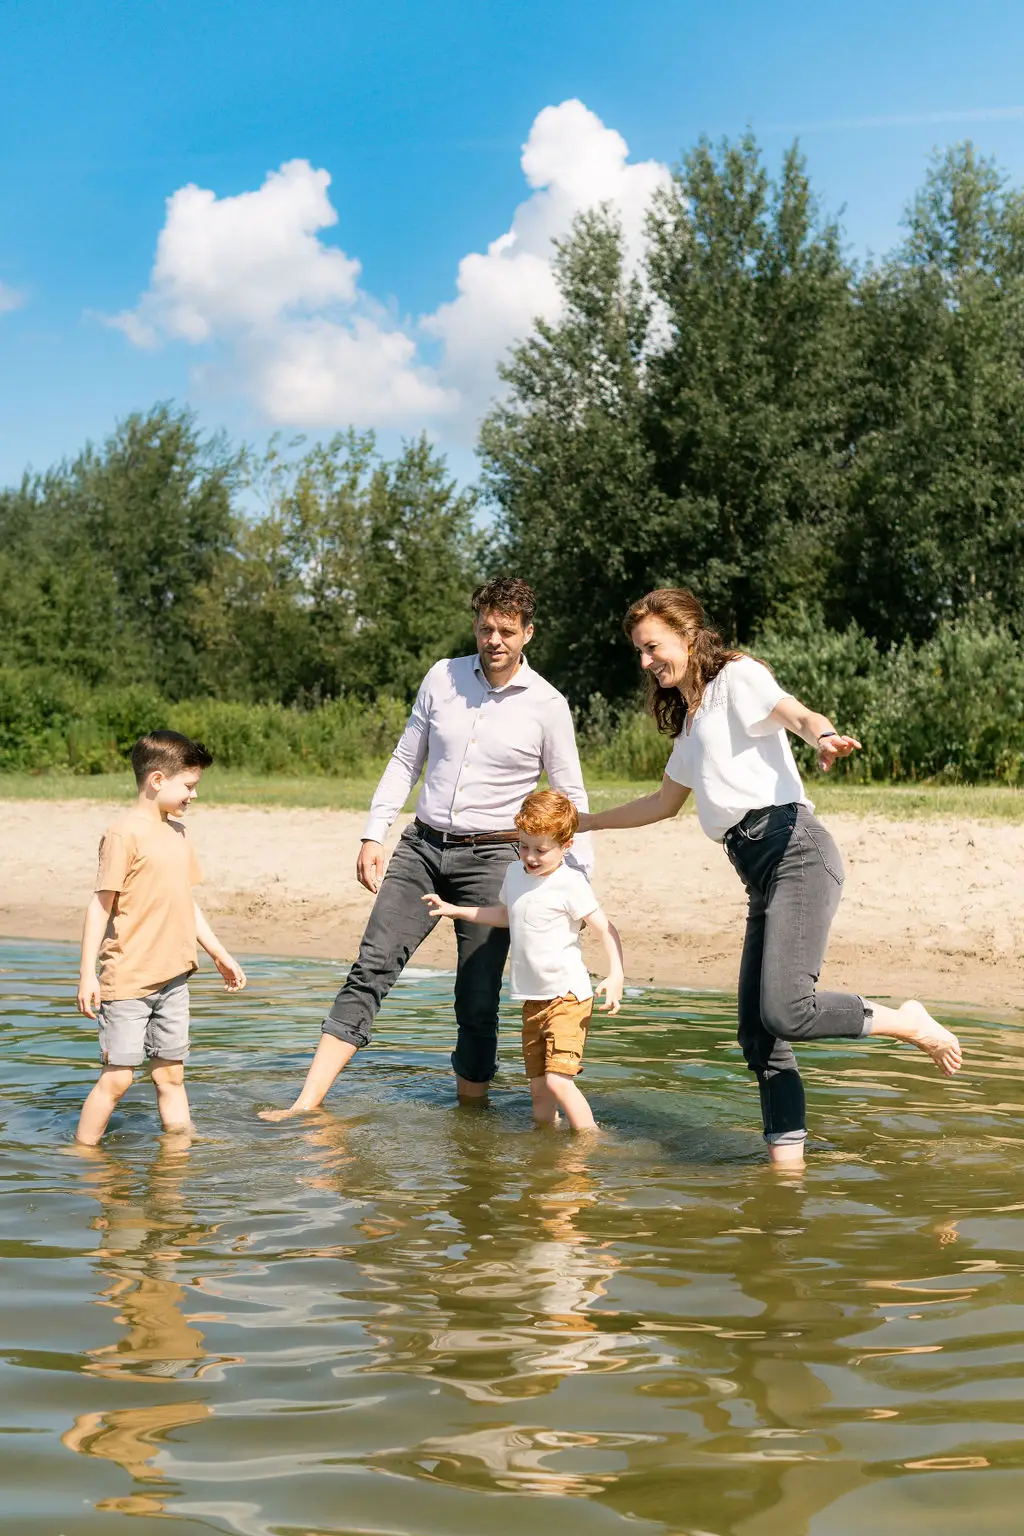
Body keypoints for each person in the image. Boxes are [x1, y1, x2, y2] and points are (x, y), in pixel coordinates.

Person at [577, 588, 962, 1166]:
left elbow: (794, 713)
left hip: (795, 852)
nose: (646, 661)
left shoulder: (737, 676)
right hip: (760, 873)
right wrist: (585, 823)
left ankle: (906, 1021)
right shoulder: (690, 719)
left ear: (686, 635)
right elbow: (662, 802)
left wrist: (822, 736)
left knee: (786, 1008)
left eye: (653, 646)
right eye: (639, 651)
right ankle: (787, 1169)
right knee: (760, 1035)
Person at [260, 578, 593, 1121]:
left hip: (495, 861)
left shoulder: (548, 705)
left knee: (478, 999)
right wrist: (375, 832)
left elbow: (570, 797)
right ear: (476, 625)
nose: (495, 640)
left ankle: (471, 1117)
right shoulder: (442, 677)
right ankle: (305, 1104)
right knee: (370, 969)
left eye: (508, 631)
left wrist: (575, 879)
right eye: (486, 628)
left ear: (528, 633)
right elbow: (403, 762)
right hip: (421, 849)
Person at [75, 731, 247, 1145]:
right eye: (188, 786)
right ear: (157, 780)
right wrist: (86, 974)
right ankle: (83, 1155)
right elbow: (100, 905)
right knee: (117, 1080)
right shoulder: (123, 834)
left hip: (174, 978)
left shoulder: (178, 833)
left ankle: (180, 1149)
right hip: (129, 980)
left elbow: (185, 902)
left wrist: (219, 953)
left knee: (171, 1075)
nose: (193, 795)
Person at [423, 789, 624, 1131]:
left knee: (559, 1082)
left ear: (567, 845)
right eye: (524, 846)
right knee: (538, 1090)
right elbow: (506, 914)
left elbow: (606, 928)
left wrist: (616, 974)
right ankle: (544, 1147)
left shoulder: (569, 883)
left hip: (569, 998)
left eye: (541, 850)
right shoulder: (516, 874)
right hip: (534, 1000)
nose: (530, 857)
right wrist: (455, 910)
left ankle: (592, 1145)